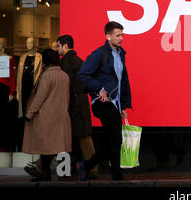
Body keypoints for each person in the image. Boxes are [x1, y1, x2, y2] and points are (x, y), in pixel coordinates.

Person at [76, 21, 132, 181]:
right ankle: (116, 175)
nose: (121, 38)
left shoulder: (121, 54)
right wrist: (99, 88)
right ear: (108, 36)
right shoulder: (100, 54)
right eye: (118, 35)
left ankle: (86, 166)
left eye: (122, 35)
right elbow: (83, 74)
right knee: (115, 137)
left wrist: (124, 105)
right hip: (102, 103)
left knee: (113, 139)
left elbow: (123, 81)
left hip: (115, 104)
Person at [22, 49, 72, 182]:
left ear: (45, 60)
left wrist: (29, 114)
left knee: (45, 148)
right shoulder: (64, 75)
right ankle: (62, 173)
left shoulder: (46, 76)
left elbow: (39, 97)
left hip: (46, 116)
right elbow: (67, 97)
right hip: (60, 115)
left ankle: (45, 174)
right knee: (59, 146)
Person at [56, 34, 97, 178]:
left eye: (58, 46)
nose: (57, 49)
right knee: (84, 137)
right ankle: (92, 168)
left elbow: (65, 85)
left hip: (72, 104)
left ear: (65, 46)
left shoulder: (65, 62)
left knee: (64, 137)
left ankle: (56, 169)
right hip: (82, 102)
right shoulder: (80, 61)